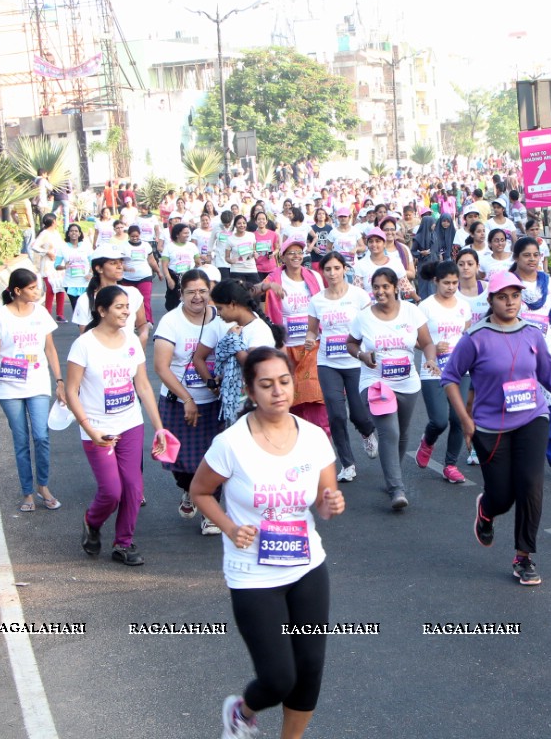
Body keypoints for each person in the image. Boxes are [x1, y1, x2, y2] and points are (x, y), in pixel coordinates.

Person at [189, 348, 345, 739]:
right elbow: (200, 492)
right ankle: (242, 712)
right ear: (249, 391)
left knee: (310, 667)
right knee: (277, 678)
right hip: (252, 574)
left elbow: (324, 504)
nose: (278, 391)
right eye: (266, 385)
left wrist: (331, 504)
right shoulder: (231, 443)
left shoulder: (313, 437)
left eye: (284, 381)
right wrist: (228, 526)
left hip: (306, 566)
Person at [443, 271, 551, 586]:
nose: (510, 302)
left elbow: (548, 377)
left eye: (515, 296)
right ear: (492, 300)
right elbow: (450, 378)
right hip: (490, 425)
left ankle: (523, 557)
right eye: (503, 296)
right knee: (502, 496)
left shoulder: (532, 333)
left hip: (532, 417)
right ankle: (486, 509)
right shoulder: (475, 337)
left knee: (530, 485)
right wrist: (465, 419)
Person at [65, 285, 167, 566]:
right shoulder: (84, 345)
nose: (127, 312)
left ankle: (123, 543)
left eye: (128, 307)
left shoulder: (131, 341)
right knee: (111, 491)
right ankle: (92, 521)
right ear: (102, 310)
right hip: (98, 428)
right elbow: (71, 391)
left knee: (133, 487)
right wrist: (88, 428)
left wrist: (159, 428)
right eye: (120, 307)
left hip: (130, 422)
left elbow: (143, 386)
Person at [345, 267, 439, 510]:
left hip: (408, 382)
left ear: (396, 287)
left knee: (402, 433)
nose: (380, 291)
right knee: (390, 432)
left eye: (385, 286)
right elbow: (351, 343)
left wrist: (430, 359)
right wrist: (362, 356)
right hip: (375, 382)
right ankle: (397, 488)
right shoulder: (364, 317)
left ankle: (391, 475)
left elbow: (427, 342)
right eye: (376, 287)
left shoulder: (411, 311)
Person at [0, 268, 65, 512]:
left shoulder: (40, 313)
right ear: (17, 291)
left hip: (37, 382)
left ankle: (43, 486)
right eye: (31, 288)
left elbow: (50, 349)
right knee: (20, 440)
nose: (37, 291)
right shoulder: (1, 316)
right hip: (9, 387)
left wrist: (59, 381)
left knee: (41, 436)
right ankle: (27, 492)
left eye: (37, 287)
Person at [153, 270, 222, 531]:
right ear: (181, 294)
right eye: (191, 291)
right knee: (179, 462)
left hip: (214, 402)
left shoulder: (220, 318)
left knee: (215, 459)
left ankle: (210, 514)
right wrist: (187, 399)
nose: (197, 297)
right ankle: (188, 489)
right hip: (177, 401)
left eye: (202, 291)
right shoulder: (170, 322)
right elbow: (161, 367)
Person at [305, 251, 378, 483]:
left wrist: (370, 351)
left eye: (337, 268)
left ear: (344, 269)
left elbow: (370, 324)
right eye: (328, 269)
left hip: (356, 361)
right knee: (336, 415)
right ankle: (347, 464)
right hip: (328, 362)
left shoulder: (358, 296)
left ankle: (367, 432)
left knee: (358, 413)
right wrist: (309, 339)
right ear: (323, 272)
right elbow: (312, 330)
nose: (333, 273)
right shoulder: (317, 300)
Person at [259, 239, 328, 433]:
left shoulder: (314, 276)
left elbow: (324, 305)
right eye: (291, 253)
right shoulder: (273, 278)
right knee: (292, 401)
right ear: (282, 257)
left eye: (299, 252)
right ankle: (297, 440)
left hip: (312, 347)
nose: (296, 256)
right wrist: (268, 287)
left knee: (316, 398)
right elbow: (250, 291)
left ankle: (322, 441)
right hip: (285, 348)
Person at [193, 280, 282, 428]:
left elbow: (253, 366)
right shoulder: (235, 326)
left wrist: (234, 341)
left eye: (220, 309)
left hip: (256, 405)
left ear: (233, 304)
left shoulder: (258, 329)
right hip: (237, 404)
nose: (218, 314)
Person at [414, 261, 471, 484]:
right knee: (439, 421)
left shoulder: (463, 306)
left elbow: (466, 335)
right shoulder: (425, 307)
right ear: (436, 281)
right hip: (433, 369)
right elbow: (416, 340)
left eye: (455, 283)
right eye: (446, 282)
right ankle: (427, 441)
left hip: (460, 370)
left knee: (458, 418)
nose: (451, 287)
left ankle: (450, 465)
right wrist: (432, 348)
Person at [71, 247, 149, 344]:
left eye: (120, 262)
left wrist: (143, 336)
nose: (120, 266)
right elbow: (85, 335)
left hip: (129, 355)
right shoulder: (85, 300)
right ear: (99, 268)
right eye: (113, 263)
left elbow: (142, 324)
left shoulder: (133, 293)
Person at [121, 225, 160, 325]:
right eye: (132, 236)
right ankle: (131, 322)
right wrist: (126, 268)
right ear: (129, 235)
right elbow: (119, 262)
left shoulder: (146, 245)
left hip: (144, 276)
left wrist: (158, 272)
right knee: (129, 301)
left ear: (140, 235)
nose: (135, 238)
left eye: (137, 236)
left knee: (145, 299)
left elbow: (151, 260)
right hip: (127, 278)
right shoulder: (123, 246)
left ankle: (147, 321)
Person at [29, 213, 66, 322]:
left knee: (60, 289)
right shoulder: (44, 233)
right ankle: (47, 314)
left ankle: (60, 314)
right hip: (48, 266)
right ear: (53, 221)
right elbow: (34, 246)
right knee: (50, 289)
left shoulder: (56, 233)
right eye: (56, 220)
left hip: (58, 265)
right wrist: (46, 252)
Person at [54, 223, 92, 320]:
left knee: (87, 309)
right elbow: (56, 265)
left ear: (79, 233)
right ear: (68, 233)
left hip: (85, 283)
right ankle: (81, 331)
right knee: (77, 309)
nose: (74, 233)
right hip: (70, 283)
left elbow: (93, 262)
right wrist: (63, 267)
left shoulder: (86, 246)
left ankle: (87, 330)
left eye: (76, 231)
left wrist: (90, 273)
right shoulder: (63, 248)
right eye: (71, 231)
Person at [161, 223, 198, 312]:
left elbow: (198, 262)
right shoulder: (169, 247)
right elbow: (164, 265)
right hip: (174, 276)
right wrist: (169, 279)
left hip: (189, 276)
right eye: (185, 233)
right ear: (177, 234)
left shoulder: (192, 246)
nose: (187, 235)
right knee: (173, 301)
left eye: (188, 233)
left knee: (190, 296)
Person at [226, 214, 260, 286]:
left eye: (244, 223)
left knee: (255, 291)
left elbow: (254, 250)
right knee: (239, 293)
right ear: (235, 225)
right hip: (237, 270)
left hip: (251, 268)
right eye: (239, 223)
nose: (242, 225)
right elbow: (227, 257)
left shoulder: (251, 235)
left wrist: (255, 254)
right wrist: (231, 261)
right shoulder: (230, 239)